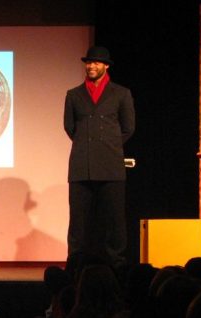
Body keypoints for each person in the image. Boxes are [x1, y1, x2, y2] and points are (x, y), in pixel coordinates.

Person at [63, 46, 135, 275]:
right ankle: (75, 265)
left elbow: (128, 128)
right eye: (88, 62)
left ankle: (117, 265)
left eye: (95, 63)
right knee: (78, 221)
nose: (90, 66)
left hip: (111, 164)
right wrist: (88, 145)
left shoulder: (121, 93)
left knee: (114, 220)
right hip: (81, 165)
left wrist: (108, 145)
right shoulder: (73, 94)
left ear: (106, 66)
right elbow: (70, 127)